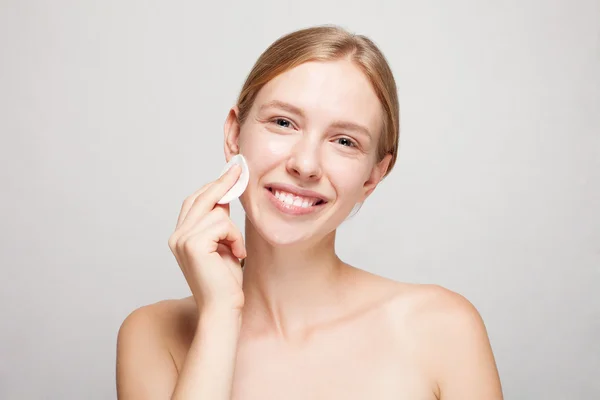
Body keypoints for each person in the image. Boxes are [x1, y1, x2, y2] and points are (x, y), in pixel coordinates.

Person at [116, 25, 503, 399]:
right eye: (283, 122)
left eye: (344, 141)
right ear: (234, 135)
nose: (305, 164)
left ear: (373, 175)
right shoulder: (152, 335)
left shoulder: (441, 328)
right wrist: (220, 316)